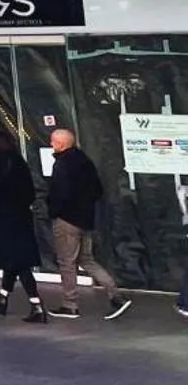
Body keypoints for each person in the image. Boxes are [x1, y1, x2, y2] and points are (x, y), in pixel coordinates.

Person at [47, 127, 129, 320]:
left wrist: (54, 211)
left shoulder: (62, 164)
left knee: (67, 262)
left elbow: (60, 193)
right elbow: (97, 190)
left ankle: (70, 304)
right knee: (86, 259)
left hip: (67, 220)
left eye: (53, 141)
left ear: (61, 144)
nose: (50, 144)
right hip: (85, 220)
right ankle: (115, 295)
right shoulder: (85, 161)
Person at [0, 130, 49, 324]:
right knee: (15, 259)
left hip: (2, 220)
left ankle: (36, 304)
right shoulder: (20, 164)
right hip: (21, 218)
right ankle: (2, 296)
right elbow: (30, 193)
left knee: (17, 263)